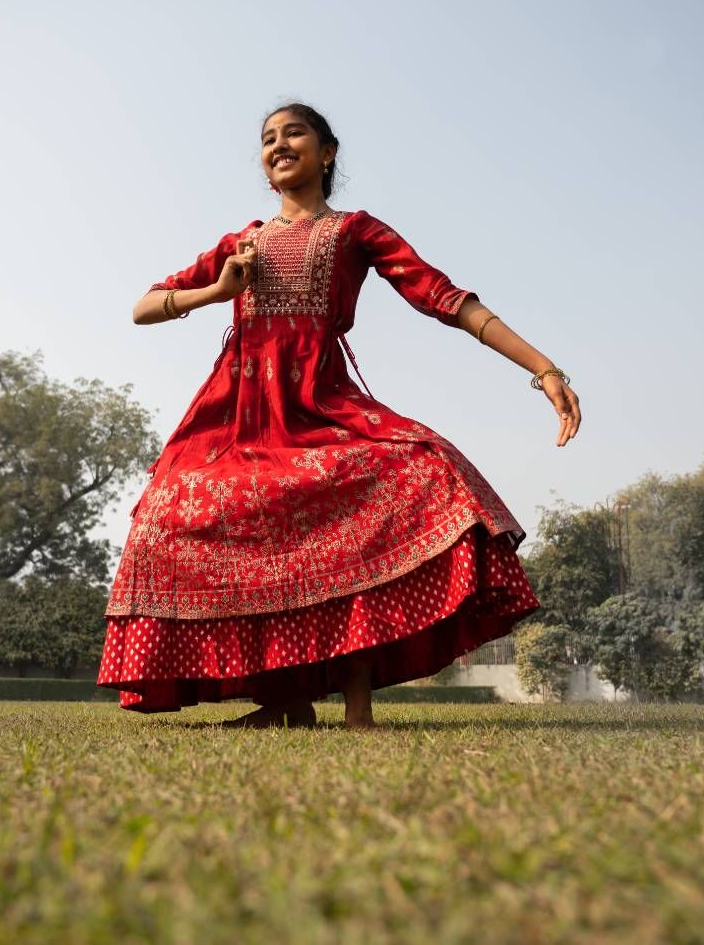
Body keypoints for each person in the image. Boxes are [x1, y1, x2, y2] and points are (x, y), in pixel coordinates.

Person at [97, 102, 581, 729]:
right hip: (238, 419)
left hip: (320, 410)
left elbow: (444, 297)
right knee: (169, 514)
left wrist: (542, 368)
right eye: (267, 139)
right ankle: (285, 702)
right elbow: (142, 307)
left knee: (413, 473)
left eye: (292, 132)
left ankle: (357, 709)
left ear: (327, 152)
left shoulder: (355, 230)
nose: (278, 144)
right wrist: (218, 291)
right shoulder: (240, 242)